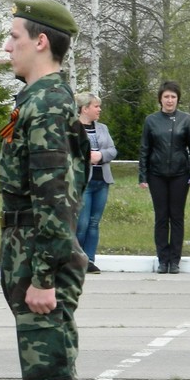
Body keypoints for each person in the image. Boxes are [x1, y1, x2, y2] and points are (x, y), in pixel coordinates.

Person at [0, 0, 98, 380]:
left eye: (14, 36)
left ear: (40, 41)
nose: (7, 45)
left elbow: (56, 203)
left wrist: (43, 278)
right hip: (30, 255)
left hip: (42, 262)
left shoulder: (51, 105)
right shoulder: (37, 100)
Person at [138, 80, 190, 274]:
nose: (170, 100)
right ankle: (163, 259)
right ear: (160, 99)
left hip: (180, 175)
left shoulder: (186, 120)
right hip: (157, 175)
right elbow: (144, 149)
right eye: (166, 97)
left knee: (177, 217)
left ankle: (175, 260)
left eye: (173, 97)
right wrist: (142, 176)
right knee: (161, 217)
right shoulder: (151, 120)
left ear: (178, 99)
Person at [73, 92, 116, 274]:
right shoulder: (72, 127)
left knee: (94, 223)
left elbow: (112, 150)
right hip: (83, 182)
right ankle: (77, 260)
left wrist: (101, 155)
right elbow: (69, 152)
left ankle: (90, 260)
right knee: (81, 224)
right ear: (85, 109)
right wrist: (86, 157)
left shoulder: (102, 128)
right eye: (96, 106)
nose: (99, 109)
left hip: (102, 181)